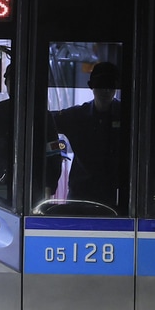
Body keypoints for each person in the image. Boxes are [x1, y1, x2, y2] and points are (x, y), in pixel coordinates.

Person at [52, 61, 125, 206]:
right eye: (100, 84)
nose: (105, 91)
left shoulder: (127, 116)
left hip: (116, 195)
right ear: (92, 86)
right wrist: (55, 149)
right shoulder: (77, 116)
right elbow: (44, 122)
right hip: (80, 195)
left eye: (110, 85)